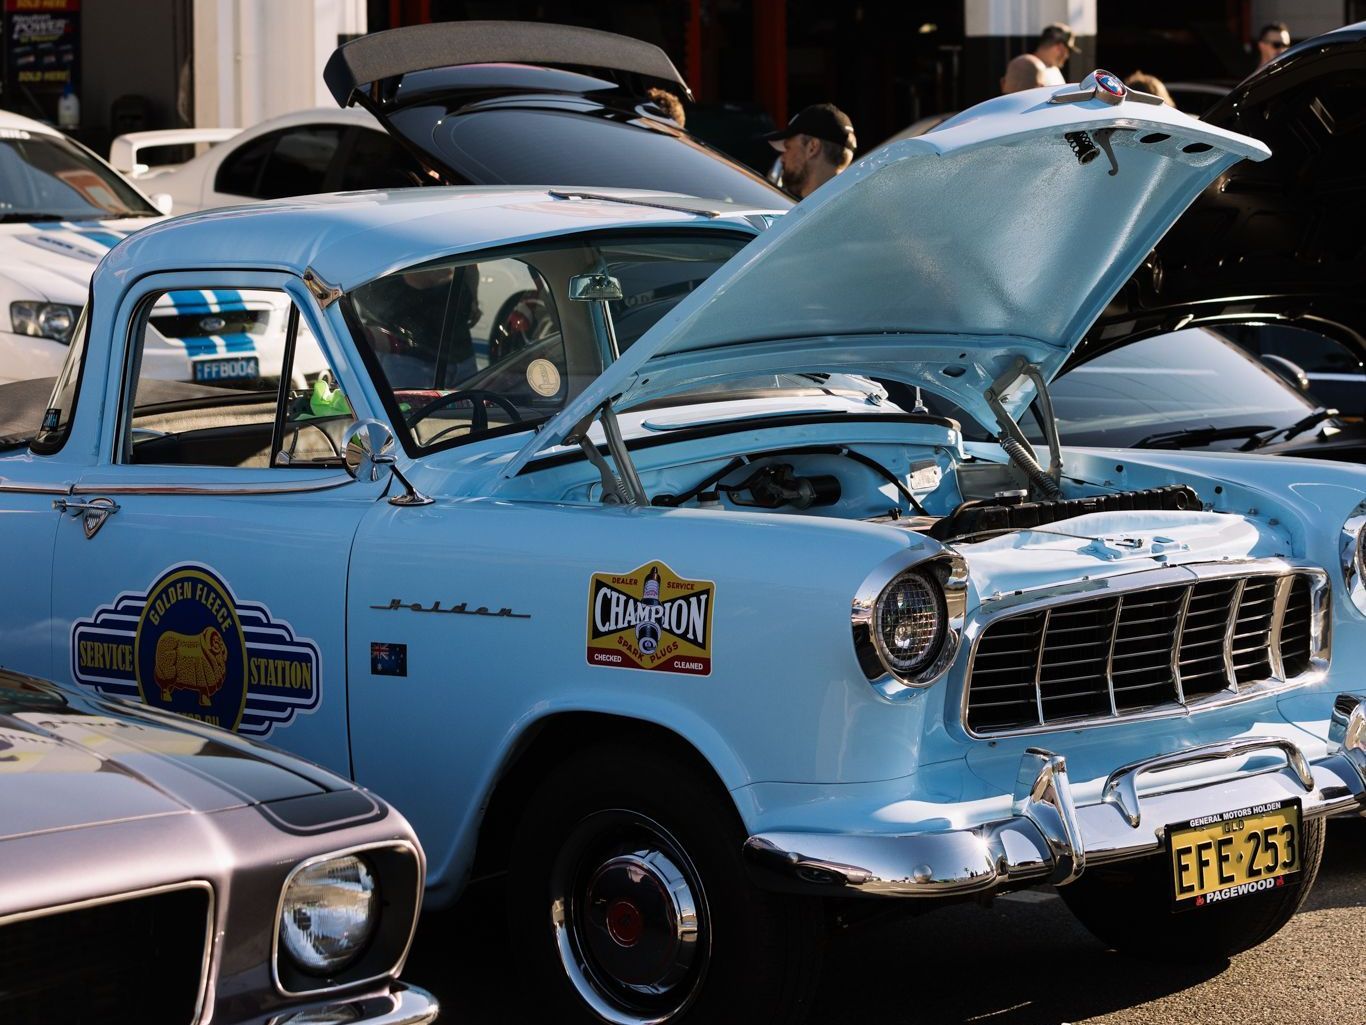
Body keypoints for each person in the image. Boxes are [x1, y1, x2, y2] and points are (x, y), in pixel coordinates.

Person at [760, 103, 857, 200]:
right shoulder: (857, 204)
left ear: (812, 148)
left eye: (788, 147)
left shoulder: (783, 206)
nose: (782, 158)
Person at [1001, 23, 1079, 93]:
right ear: (1060, 48)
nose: (1067, 56)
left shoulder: (1054, 68)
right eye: (1068, 51)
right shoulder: (1026, 66)